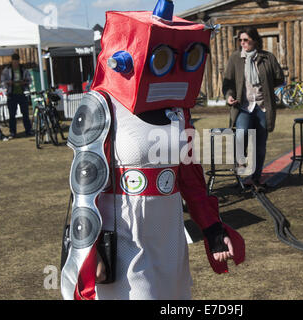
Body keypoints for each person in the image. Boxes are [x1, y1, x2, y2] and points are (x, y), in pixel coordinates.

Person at [61, 0, 245, 300]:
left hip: (170, 238)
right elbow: (84, 184)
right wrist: (87, 249)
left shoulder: (177, 111)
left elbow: (190, 178)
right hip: (123, 240)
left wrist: (212, 228)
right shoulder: (103, 106)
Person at [223, 27, 284, 190]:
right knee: (241, 134)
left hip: (263, 107)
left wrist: (268, 85)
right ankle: (240, 165)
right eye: (240, 40)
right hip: (243, 106)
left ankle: (255, 178)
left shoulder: (267, 57)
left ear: (255, 41)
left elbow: (279, 77)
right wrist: (229, 95)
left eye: (246, 40)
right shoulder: (236, 58)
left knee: (260, 145)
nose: (242, 43)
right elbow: (227, 82)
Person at [0, 53, 33, 139]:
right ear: (12, 61)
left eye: (17, 61)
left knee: (25, 113)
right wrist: (8, 83)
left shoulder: (23, 69)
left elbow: (30, 80)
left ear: (19, 61)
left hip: (22, 93)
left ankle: (28, 130)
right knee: (12, 115)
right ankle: (12, 132)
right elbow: (3, 81)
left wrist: (24, 82)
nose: (15, 63)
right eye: (14, 62)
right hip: (12, 94)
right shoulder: (7, 70)